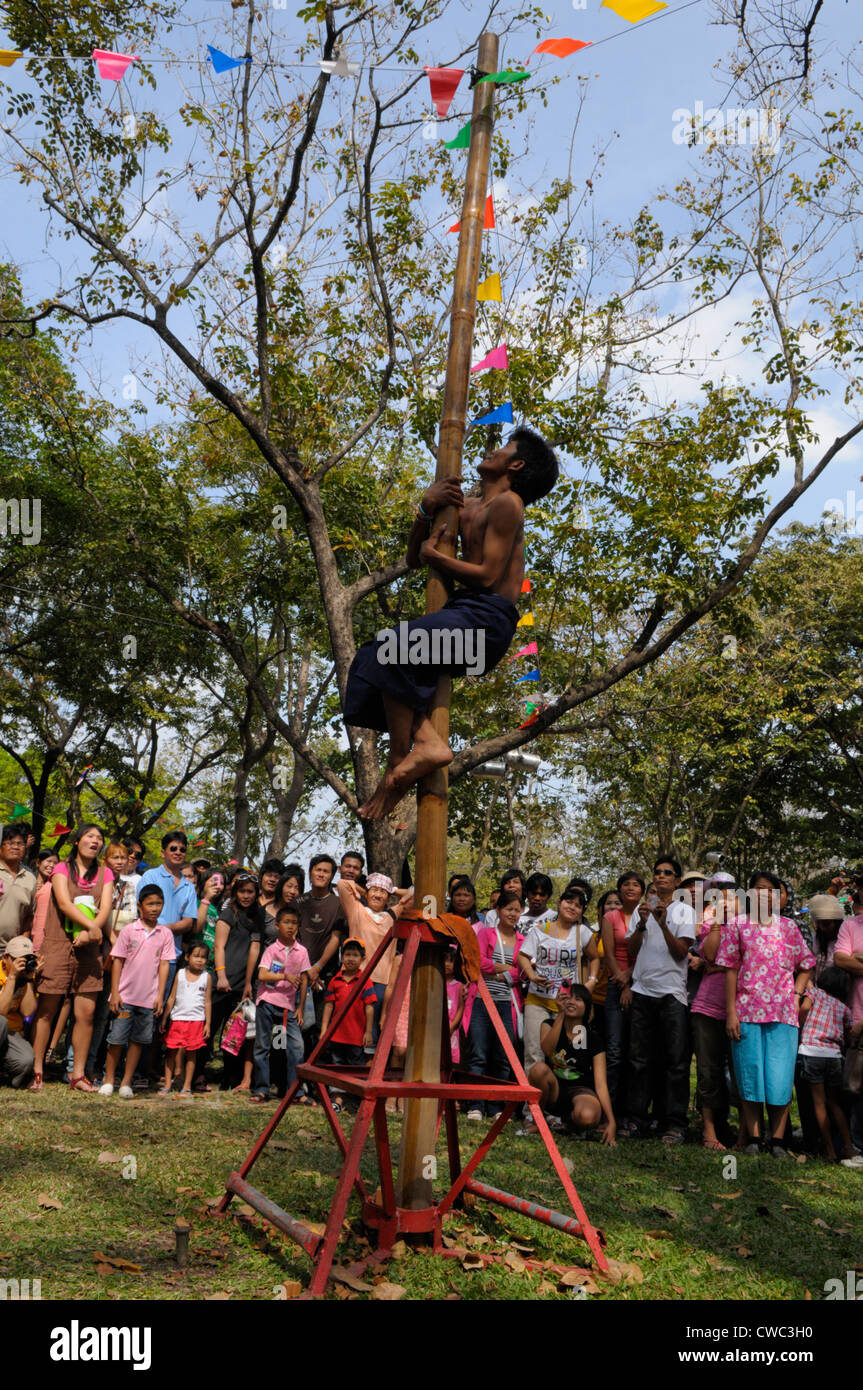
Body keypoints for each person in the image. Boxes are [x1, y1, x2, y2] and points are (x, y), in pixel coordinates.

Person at [347, 428, 559, 818]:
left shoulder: (509, 504)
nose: (492, 450)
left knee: (393, 648)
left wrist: (436, 557)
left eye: (504, 447)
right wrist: (426, 509)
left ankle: (399, 760)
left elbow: (486, 574)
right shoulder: (465, 507)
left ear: (516, 464)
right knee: (371, 657)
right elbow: (415, 557)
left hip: (486, 625)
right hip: (461, 614)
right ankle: (425, 745)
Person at [717, 869, 814, 1157]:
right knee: (750, 1075)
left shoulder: (789, 927)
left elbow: (806, 963)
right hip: (746, 1012)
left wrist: (797, 995)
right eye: (758, 888)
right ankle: (755, 1138)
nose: (764, 894)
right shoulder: (737, 925)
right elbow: (730, 969)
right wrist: (731, 1013)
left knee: (780, 1077)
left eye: (770, 890)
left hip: (784, 1013)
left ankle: (779, 1139)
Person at [29, 823, 115, 1093]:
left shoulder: (106, 873)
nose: (95, 841)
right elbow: (64, 904)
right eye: (90, 836)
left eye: (99, 838)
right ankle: (36, 1070)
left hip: (89, 950)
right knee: (47, 1011)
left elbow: (105, 909)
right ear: (77, 841)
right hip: (57, 945)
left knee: (86, 1014)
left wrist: (93, 931)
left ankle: (77, 1075)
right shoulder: (61, 869)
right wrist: (91, 928)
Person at [620, 856, 696, 1144]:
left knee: (675, 1062)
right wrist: (642, 923)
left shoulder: (684, 912)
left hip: (672, 995)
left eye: (668, 873)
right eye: (657, 872)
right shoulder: (641, 910)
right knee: (638, 1060)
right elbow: (630, 948)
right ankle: (637, 1119)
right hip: (642, 991)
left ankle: (674, 1123)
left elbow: (680, 953)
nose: (661, 876)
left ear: (676, 881)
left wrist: (662, 924)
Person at [99, 884, 174, 1098]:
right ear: (140, 906)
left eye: (158, 904)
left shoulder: (165, 933)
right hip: (125, 997)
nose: (154, 908)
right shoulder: (129, 930)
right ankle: (108, 1080)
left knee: (137, 1042)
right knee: (116, 1039)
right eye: (150, 904)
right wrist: (115, 992)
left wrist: (160, 995)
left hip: (148, 1000)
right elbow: (118, 961)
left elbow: (164, 965)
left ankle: (126, 1082)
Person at [518, 883, 599, 1075]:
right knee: (534, 1053)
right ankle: (532, 1105)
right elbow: (523, 956)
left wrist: (592, 981)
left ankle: (559, 1101)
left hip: (568, 1003)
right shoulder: (540, 930)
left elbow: (594, 957)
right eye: (568, 902)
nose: (572, 907)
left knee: (565, 1055)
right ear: (559, 903)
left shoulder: (584, 933)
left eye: (578, 906)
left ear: (581, 912)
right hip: (538, 1000)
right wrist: (531, 975)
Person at [528, 982, 616, 1144]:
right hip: (555, 1089)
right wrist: (560, 1014)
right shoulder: (549, 1024)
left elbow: (601, 1084)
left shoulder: (594, 1039)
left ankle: (570, 1122)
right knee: (538, 1069)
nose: (571, 1002)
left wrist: (611, 1121)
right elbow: (547, 1050)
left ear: (587, 1007)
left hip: (581, 1091)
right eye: (569, 998)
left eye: (578, 999)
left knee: (588, 1117)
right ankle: (537, 1121)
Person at [466, 889, 526, 1120]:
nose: (513, 914)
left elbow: (523, 971)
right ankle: (475, 1105)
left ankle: (496, 1107)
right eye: (509, 909)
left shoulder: (522, 940)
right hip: (482, 1000)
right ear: (498, 910)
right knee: (478, 1053)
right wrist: (504, 970)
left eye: (517, 910)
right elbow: (478, 962)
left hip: (507, 1004)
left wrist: (498, 970)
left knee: (502, 1055)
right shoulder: (486, 933)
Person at [692, 876, 739, 1150]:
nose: (726, 902)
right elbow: (710, 955)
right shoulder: (711, 925)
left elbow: (749, 961)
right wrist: (719, 923)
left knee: (740, 1072)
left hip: (743, 1009)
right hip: (707, 1006)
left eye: (731, 898)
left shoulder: (751, 926)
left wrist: (721, 966)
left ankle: (746, 1132)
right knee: (708, 1071)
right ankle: (709, 1131)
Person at [796, 965, 859, 1163]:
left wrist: (802, 1026)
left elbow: (804, 1008)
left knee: (819, 1102)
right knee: (834, 1103)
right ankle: (849, 1146)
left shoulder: (814, 994)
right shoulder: (843, 1007)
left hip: (812, 1051)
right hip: (834, 1056)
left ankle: (829, 1149)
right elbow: (850, 1032)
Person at [336, 873, 413, 1034]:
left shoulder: (393, 914)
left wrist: (393, 889)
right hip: (355, 978)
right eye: (375, 890)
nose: (378, 895)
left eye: (382, 892)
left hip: (381, 982)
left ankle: (369, 1060)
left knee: (372, 1031)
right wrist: (364, 891)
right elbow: (343, 884)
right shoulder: (356, 910)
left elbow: (415, 894)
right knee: (350, 1028)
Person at [251, 904, 309, 1104]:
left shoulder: (301, 951)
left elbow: (304, 979)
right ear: (277, 926)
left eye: (294, 923)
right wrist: (284, 975)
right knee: (263, 1046)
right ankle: (261, 1090)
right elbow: (261, 974)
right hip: (267, 1001)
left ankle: (295, 1092)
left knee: (295, 1047)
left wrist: (300, 1007)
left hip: (288, 1007)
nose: (291, 927)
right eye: (286, 922)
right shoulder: (271, 949)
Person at [212, 872, 262, 1089]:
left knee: (235, 1033)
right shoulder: (228, 914)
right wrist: (221, 975)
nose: (246, 895)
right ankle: (197, 1076)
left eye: (250, 891)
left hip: (243, 984)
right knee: (211, 1028)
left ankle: (230, 1077)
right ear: (235, 892)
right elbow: (218, 946)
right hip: (223, 980)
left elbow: (255, 948)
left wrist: (249, 982)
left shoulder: (257, 917)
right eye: (242, 891)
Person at [599, 872, 644, 1117]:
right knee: (615, 1051)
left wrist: (632, 978)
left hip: (643, 985)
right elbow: (609, 954)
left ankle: (633, 1113)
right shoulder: (610, 917)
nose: (630, 887)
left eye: (635, 884)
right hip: (615, 986)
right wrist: (624, 983)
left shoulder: (647, 914)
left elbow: (649, 952)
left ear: (641, 891)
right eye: (626, 884)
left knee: (636, 1052)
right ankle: (610, 1110)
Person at [135, 833, 198, 990]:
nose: (178, 852)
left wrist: (162, 929)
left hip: (171, 956)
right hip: (145, 951)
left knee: (158, 1006)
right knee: (135, 1003)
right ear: (163, 852)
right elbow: (143, 913)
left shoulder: (189, 887)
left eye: (182, 849)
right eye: (173, 848)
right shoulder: (151, 876)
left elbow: (188, 922)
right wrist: (167, 929)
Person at [320, 938, 376, 1111]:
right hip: (337, 1035)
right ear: (342, 957)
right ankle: (338, 1100)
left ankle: (357, 1101)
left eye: (355, 955)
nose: (351, 958)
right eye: (348, 954)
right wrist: (324, 1029)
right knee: (336, 1068)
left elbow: (370, 1007)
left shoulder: (365, 980)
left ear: (362, 958)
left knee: (356, 1069)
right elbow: (328, 1005)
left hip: (355, 1036)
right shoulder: (335, 980)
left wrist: (368, 1032)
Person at [296, 855, 347, 1041]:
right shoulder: (298, 902)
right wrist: (304, 969)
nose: (321, 874)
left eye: (326, 872)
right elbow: (293, 936)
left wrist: (317, 967)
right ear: (310, 873)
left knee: (319, 1025)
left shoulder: (338, 904)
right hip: (298, 972)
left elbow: (335, 938)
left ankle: (314, 1065)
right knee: (296, 1023)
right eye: (318, 870)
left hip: (325, 973)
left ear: (331, 876)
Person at [160, 941, 212, 1096]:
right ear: (187, 957)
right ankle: (168, 1084)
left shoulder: (206, 977)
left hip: (196, 1021)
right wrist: (165, 1018)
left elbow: (207, 1001)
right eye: (196, 956)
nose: (199, 960)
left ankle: (187, 1085)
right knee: (171, 1052)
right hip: (177, 1019)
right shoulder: (180, 974)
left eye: (203, 957)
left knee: (192, 1054)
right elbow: (171, 997)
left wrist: (207, 1023)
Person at [834, 901, 863, 1153]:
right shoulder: (851, 925)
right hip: (856, 1013)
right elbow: (841, 958)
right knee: (855, 1084)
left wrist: (858, 958)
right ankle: (855, 1144)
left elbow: (850, 958)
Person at [0, 935, 37, 1088]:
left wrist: (27, 979)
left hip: (11, 1033)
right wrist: (12, 978)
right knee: (1, 1021)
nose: (21, 963)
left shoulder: (26, 976)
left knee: (26, 1061)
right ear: (5, 957)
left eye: (26, 959)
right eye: (17, 959)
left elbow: (28, 1011)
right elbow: (1, 1011)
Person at [0, 823, 36, 947]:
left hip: (13, 950)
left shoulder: (30, 878)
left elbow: (29, 915)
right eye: (10, 843)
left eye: (20, 844)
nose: (16, 847)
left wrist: (22, 943)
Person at [806, 894, 844, 980]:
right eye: (819, 924)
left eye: (826, 924)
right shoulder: (814, 939)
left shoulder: (846, 939)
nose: (822, 928)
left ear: (837, 922)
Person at [30, 848, 59, 952]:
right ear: (38, 862)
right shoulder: (28, 880)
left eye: (55, 863)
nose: (51, 865)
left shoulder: (53, 886)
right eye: (49, 861)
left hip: (41, 935)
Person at [257, 859, 284, 946]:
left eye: (277, 877)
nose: (272, 879)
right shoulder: (250, 900)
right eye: (269, 875)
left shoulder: (282, 906)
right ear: (262, 877)